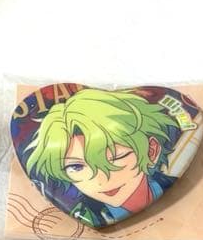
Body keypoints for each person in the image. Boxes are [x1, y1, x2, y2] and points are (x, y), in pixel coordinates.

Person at [24, 88, 181, 227]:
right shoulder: (85, 213)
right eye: (76, 167)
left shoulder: (169, 186)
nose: (101, 180)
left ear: (151, 151)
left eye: (114, 158)